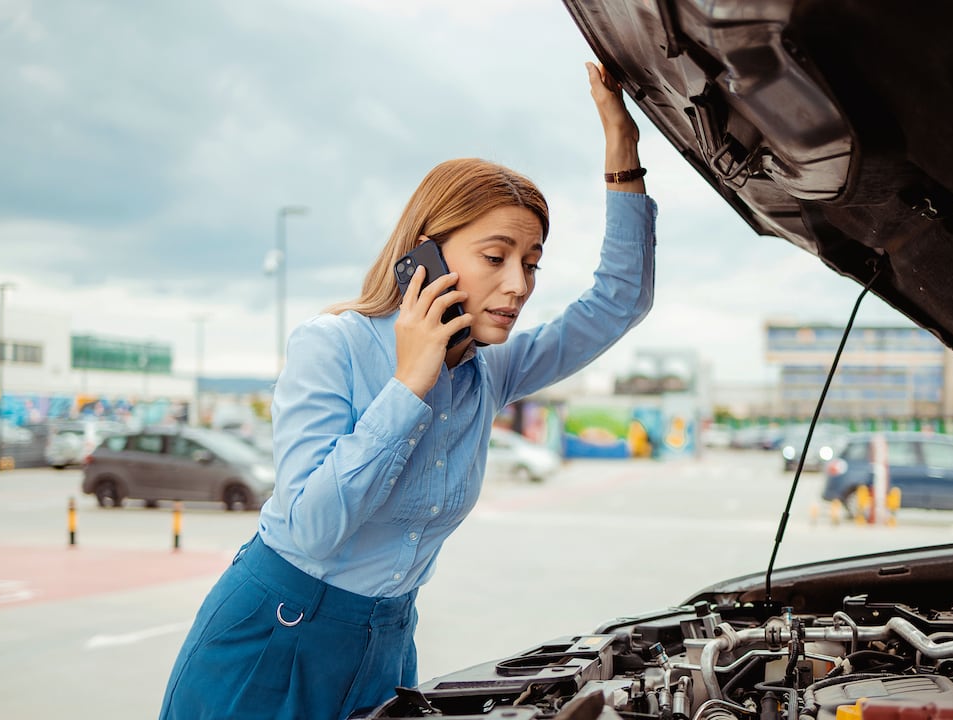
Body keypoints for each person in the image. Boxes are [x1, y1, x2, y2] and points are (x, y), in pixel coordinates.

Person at [158, 61, 656, 720]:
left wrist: (622, 145)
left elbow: (620, 301)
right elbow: (311, 526)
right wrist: (409, 384)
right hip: (271, 639)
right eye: (495, 256)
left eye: (532, 263)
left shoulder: (489, 369)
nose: (519, 285)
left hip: (386, 646)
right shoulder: (330, 345)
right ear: (426, 256)